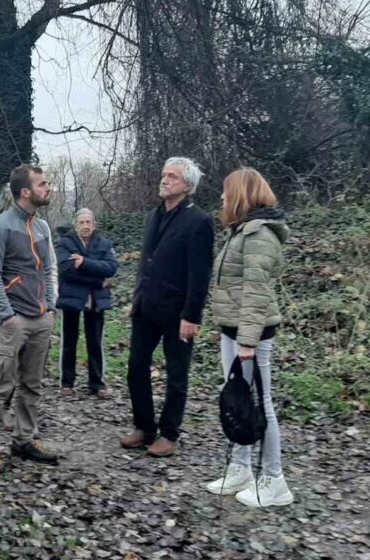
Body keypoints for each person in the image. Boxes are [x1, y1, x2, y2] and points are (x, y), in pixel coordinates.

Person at [205, 167, 293, 507]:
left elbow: (256, 292)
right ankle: (241, 468)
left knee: (261, 403)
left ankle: (274, 480)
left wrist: (247, 342)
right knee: (240, 400)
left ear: (241, 194)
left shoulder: (259, 235)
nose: (223, 198)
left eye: (227, 192)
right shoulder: (241, 231)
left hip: (250, 335)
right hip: (234, 330)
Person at [120, 157, 215, 458]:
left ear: (188, 185)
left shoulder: (199, 221)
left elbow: (200, 275)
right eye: (163, 175)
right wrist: (136, 300)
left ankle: (169, 433)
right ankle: (144, 427)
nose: (165, 180)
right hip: (146, 308)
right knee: (136, 367)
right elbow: (145, 265)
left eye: (172, 176)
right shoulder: (154, 216)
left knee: (177, 374)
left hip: (177, 314)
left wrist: (192, 316)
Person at [0, 164, 58, 474]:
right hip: (12, 322)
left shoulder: (41, 227)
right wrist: (6, 315)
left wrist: (49, 306)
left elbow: (47, 269)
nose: (48, 188)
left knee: (32, 385)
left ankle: (24, 440)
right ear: (25, 192)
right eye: (42, 184)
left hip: (40, 320)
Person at [55, 208, 119, 399]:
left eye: (88, 222)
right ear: (76, 226)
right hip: (72, 299)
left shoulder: (104, 244)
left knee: (95, 342)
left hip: (96, 300)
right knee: (69, 341)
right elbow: (66, 271)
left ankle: (97, 383)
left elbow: (111, 267)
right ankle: (67, 383)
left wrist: (84, 263)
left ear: (94, 224)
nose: (85, 226)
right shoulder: (65, 243)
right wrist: (99, 281)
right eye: (81, 223)